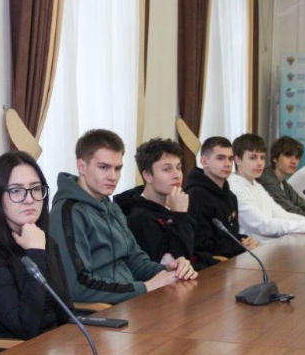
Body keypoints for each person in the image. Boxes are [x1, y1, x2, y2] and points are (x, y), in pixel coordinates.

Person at [50, 129, 198, 305]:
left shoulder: (112, 208)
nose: (113, 177)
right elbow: (77, 287)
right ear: (81, 166)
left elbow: (136, 261)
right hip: (102, 313)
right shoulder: (67, 212)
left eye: (118, 168)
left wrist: (169, 269)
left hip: (129, 303)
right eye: (104, 167)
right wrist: (145, 287)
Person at [0, 151, 72, 342]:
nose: (29, 199)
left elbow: (66, 312)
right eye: (16, 191)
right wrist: (35, 253)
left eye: (36, 189)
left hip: (56, 348)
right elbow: (26, 328)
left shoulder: (44, 240)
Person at [228, 134, 305, 241]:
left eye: (262, 158)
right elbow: (264, 225)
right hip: (253, 250)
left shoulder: (256, 185)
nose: (260, 163)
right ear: (237, 160)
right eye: (253, 158)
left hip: (269, 246)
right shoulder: (234, 187)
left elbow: (282, 215)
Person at [114, 137, 200, 267]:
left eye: (178, 168)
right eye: (167, 169)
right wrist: (179, 216)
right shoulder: (139, 216)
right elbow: (177, 264)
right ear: (148, 176)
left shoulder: (175, 203)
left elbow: (196, 250)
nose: (177, 175)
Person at [185, 137, 259, 263]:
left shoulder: (231, 196)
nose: (227, 164)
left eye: (230, 159)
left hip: (231, 262)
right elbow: (201, 244)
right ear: (204, 161)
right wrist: (241, 247)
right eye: (220, 158)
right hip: (209, 267)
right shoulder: (196, 195)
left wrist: (244, 240)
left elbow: (228, 235)